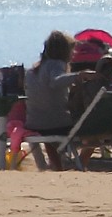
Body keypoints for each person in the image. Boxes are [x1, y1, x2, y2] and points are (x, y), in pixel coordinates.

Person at [19, 31, 77, 169]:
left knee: (51, 123)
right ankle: (81, 163)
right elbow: (55, 81)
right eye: (71, 51)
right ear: (64, 51)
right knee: (91, 127)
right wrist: (79, 76)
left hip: (34, 123)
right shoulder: (56, 64)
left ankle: (56, 165)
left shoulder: (34, 69)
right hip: (56, 124)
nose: (73, 55)